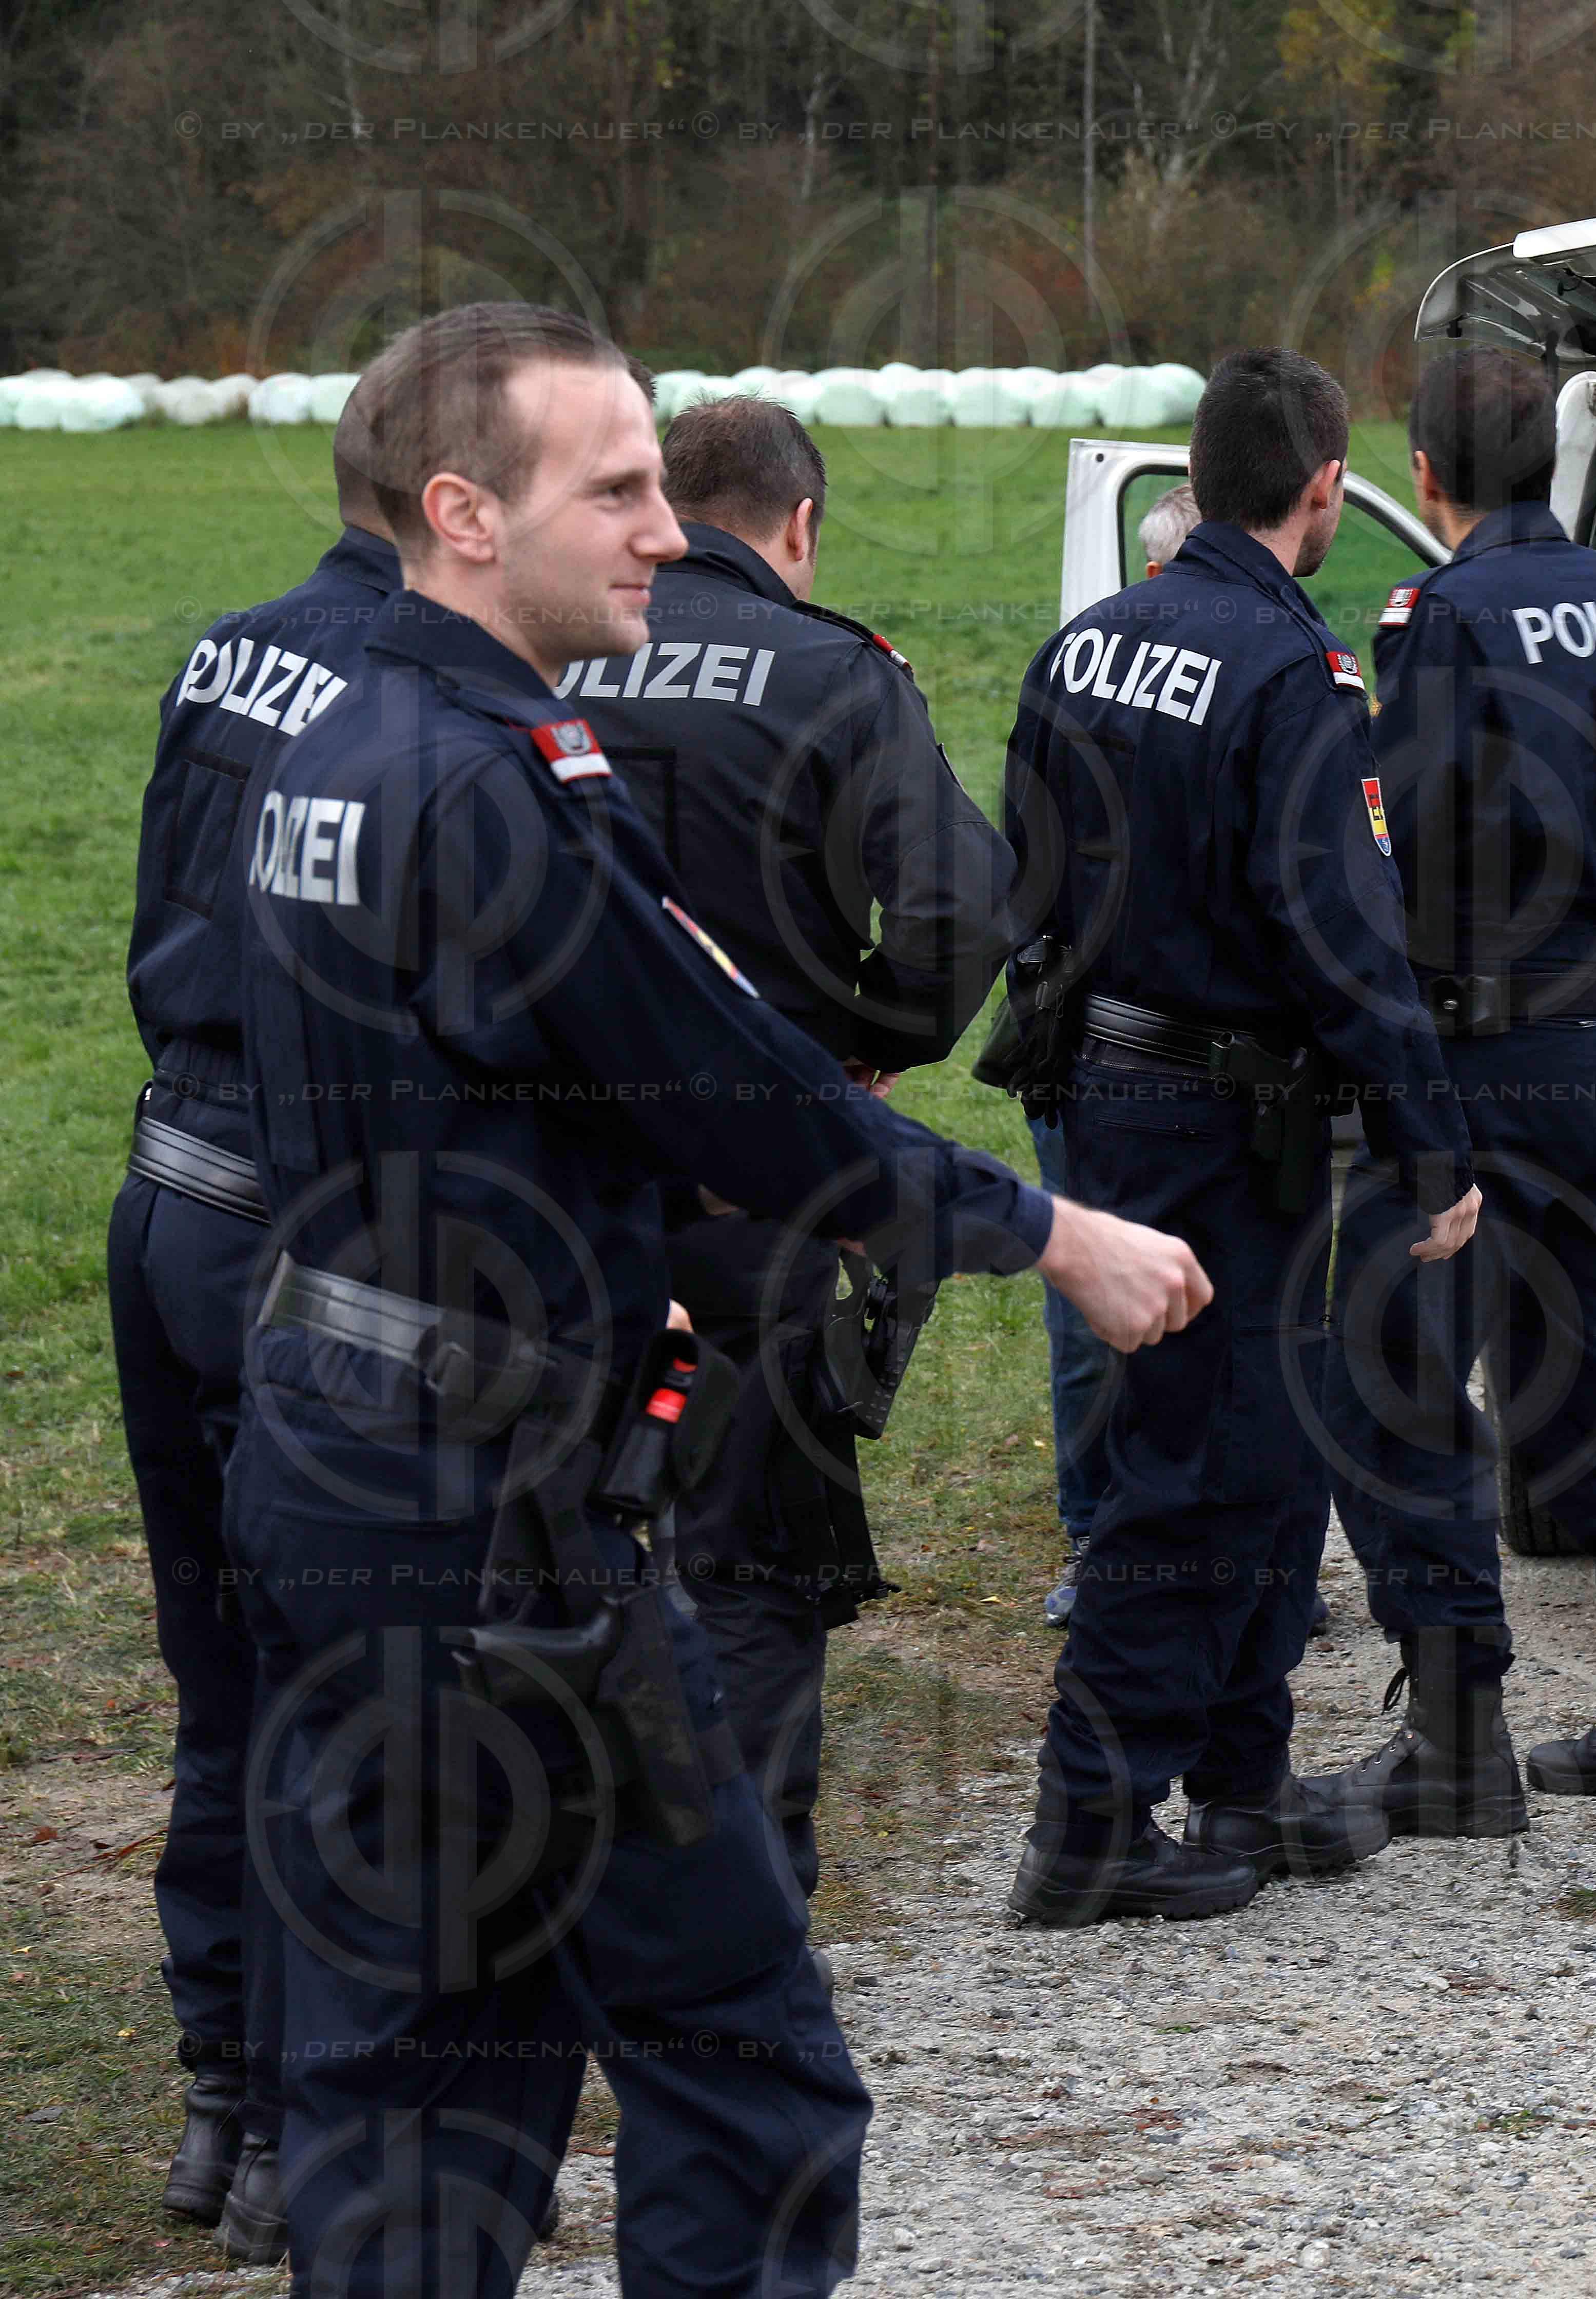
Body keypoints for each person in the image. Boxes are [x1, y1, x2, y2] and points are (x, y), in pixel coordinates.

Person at [223, 301, 1208, 2297]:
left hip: (343, 1459)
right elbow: (743, 1092)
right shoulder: (494, 783)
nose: (670, 526)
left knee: (429, 2071)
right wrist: (1054, 1234)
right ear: (463, 516)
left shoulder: (328, 738)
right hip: (504, 1537)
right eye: (619, 486)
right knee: (747, 2054)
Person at [996, 348, 1481, 1924]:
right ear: (1326, 488)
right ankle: (1091, 1821)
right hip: (1220, 1112)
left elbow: (1032, 873)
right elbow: (1347, 933)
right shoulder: (1295, 679)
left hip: (1123, 1094)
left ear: (1195, 480)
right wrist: (1433, 1148)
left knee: (1259, 1453)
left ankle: (1243, 1782)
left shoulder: (1088, 649)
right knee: (1194, 1462)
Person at [551, 394, 1017, 1901]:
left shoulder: (547, 660)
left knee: (554, 1550)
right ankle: (739, 1918)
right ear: (800, 526)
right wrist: (869, 1040)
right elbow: (962, 908)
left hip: (557, 1186)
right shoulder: (837, 674)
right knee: (752, 1564)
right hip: (767, 1182)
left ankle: (557, 1889)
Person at [1312, 346, 1596, 1835]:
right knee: (1591, 1367)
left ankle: (1457, 1725)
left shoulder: (1440, 617)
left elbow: (1414, 839)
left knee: (1398, 1371)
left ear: (1427, 476)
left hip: (1479, 1041)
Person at [109, 424, 398, 2266]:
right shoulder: (405, 699)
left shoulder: (236, 641)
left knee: (224, 1689)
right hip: (297, 1238)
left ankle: (222, 2100)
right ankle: (309, 2125)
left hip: (163, 1193)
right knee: (335, 1704)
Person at [1038, 480, 1209, 1628]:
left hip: (1107, 1032)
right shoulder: (1095, 667)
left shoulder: (1074, 662)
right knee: (1108, 1302)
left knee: (1134, 1300)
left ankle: (1149, 1536)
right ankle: (1115, 1532)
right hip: (1121, 1037)